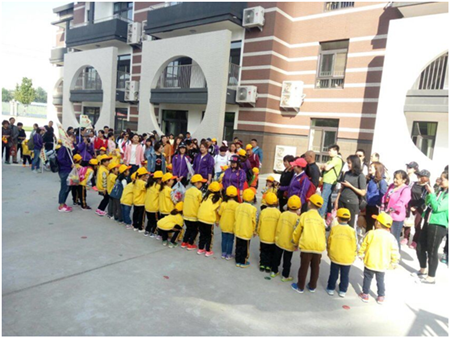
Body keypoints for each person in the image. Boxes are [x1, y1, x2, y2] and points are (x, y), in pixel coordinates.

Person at [358, 212, 399, 304]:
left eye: (376, 220)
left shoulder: (370, 233)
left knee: (367, 278)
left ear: (378, 223)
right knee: (380, 280)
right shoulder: (391, 237)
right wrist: (394, 261)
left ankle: (365, 294)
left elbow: (363, 244)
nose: (375, 221)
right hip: (382, 264)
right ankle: (381, 296)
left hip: (370, 262)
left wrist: (360, 254)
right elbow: (394, 250)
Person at [415, 170, 448, 285]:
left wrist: (433, 194)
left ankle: (431, 276)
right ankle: (423, 268)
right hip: (428, 221)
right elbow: (428, 202)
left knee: (432, 251)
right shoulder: (440, 191)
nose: (440, 181)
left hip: (438, 225)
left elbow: (437, 208)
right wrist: (430, 193)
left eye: (443, 179)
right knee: (419, 247)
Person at [291, 194, 326, 294]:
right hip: (318, 247)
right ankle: (312, 286)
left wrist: (295, 242)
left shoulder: (304, 216)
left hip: (307, 245)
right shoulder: (321, 219)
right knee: (315, 267)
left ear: (309, 203)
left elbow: (297, 230)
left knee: (304, 267)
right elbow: (323, 233)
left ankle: (300, 286)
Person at [326, 208, 357, 297]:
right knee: (345, 275)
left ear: (338, 218)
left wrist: (328, 251)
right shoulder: (352, 231)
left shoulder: (334, 229)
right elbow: (355, 244)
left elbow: (329, 241)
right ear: (349, 219)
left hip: (335, 256)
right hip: (347, 258)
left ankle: (331, 288)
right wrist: (354, 255)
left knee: (333, 274)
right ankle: (343, 290)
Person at [271, 195, 301, 281]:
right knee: (287, 260)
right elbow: (297, 232)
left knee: (276, 256)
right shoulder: (298, 218)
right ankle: (285, 276)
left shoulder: (283, 214)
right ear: (299, 207)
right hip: (290, 243)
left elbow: (278, 227)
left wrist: (276, 237)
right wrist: (296, 243)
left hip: (280, 240)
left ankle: (274, 271)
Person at [334, 155, 367, 228]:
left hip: (352, 203)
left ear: (354, 163)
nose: (348, 165)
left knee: (351, 224)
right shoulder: (347, 173)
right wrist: (336, 200)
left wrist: (350, 186)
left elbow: (363, 192)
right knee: (340, 221)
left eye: (349, 163)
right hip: (342, 200)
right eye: (347, 163)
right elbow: (341, 188)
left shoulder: (360, 176)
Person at [381, 170, 411, 251]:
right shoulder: (391, 186)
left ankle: (396, 256)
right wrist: (382, 206)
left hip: (396, 217)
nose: (394, 180)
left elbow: (401, 202)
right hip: (386, 215)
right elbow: (385, 196)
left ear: (404, 180)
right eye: (394, 178)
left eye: (397, 179)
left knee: (394, 237)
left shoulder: (406, 189)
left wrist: (391, 209)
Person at [197, 181, 222, 257]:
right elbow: (217, 211)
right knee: (209, 235)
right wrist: (217, 221)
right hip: (209, 219)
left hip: (200, 217)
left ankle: (200, 249)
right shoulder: (218, 199)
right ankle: (208, 250)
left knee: (202, 234)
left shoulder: (206, 196)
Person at [257, 192, 281, 272]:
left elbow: (259, 223)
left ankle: (262, 264)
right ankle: (268, 266)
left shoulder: (263, 211)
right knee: (271, 252)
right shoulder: (278, 213)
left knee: (263, 251)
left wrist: (258, 232)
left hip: (263, 236)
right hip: (273, 238)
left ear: (266, 202)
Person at [182, 174, 207, 249]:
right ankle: (190, 243)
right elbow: (200, 203)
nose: (201, 184)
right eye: (201, 183)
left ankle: (184, 242)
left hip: (186, 214)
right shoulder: (198, 193)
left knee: (188, 229)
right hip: (193, 215)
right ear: (196, 183)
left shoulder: (187, 191)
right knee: (195, 230)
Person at [233, 188, 257, 268]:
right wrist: (254, 231)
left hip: (238, 230)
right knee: (245, 247)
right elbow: (254, 221)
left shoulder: (239, 206)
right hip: (247, 231)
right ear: (252, 198)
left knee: (238, 246)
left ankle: (237, 260)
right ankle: (243, 262)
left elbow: (235, 217)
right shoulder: (253, 209)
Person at [319, 144, 344, 218]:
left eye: (330, 150)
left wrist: (325, 167)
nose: (328, 152)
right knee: (328, 199)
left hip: (330, 181)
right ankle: (328, 214)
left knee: (324, 199)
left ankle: (321, 215)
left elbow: (326, 168)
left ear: (336, 151)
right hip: (327, 181)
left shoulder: (337, 159)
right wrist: (324, 166)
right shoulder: (331, 159)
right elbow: (322, 166)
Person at [409, 170, 430, 249]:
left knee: (417, 224)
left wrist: (416, 207)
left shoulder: (426, 187)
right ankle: (406, 237)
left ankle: (415, 241)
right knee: (407, 221)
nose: (419, 177)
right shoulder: (413, 183)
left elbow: (424, 199)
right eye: (419, 175)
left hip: (420, 207)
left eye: (421, 176)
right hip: (410, 204)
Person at [365, 162, 388, 232]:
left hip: (376, 206)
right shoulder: (370, 179)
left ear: (376, 169)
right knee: (368, 224)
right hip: (368, 204)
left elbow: (384, 194)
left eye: (371, 167)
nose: (369, 168)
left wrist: (378, 201)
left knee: (376, 225)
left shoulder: (382, 181)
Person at [218, 186, 239, 260]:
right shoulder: (237, 205)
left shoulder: (223, 204)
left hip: (224, 224)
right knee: (230, 240)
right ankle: (228, 254)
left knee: (224, 239)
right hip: (232, 226)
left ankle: (223, 253)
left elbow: (220, 213)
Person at [144, 170, 163, 237]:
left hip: (147, 206)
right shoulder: (158, 187)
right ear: (159, 179)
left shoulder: (149, 185)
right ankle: (153, 232)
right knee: (155, 221)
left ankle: (147, 230)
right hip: (154, 208)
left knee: (150, 220)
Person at [56, 145, 74, 213]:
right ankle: (61, 205)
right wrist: (69, 164)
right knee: (64, 188)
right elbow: (60, 158)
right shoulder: (64, 148)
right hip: (64, 170)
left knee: (68, 188)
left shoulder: (68, 148)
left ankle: (63, 203)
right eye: (72, 138)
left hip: (68, 170)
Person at [132, 167, 150, 232]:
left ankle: (135, 225)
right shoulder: (143, 183)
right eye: (146, 175)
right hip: (141, 202)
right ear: (143, 176)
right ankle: (140, 227)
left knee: (135, 214)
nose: (147, 177)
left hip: (136, 201)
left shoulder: (136, 181)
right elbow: (147, 187)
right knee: (141, 216)